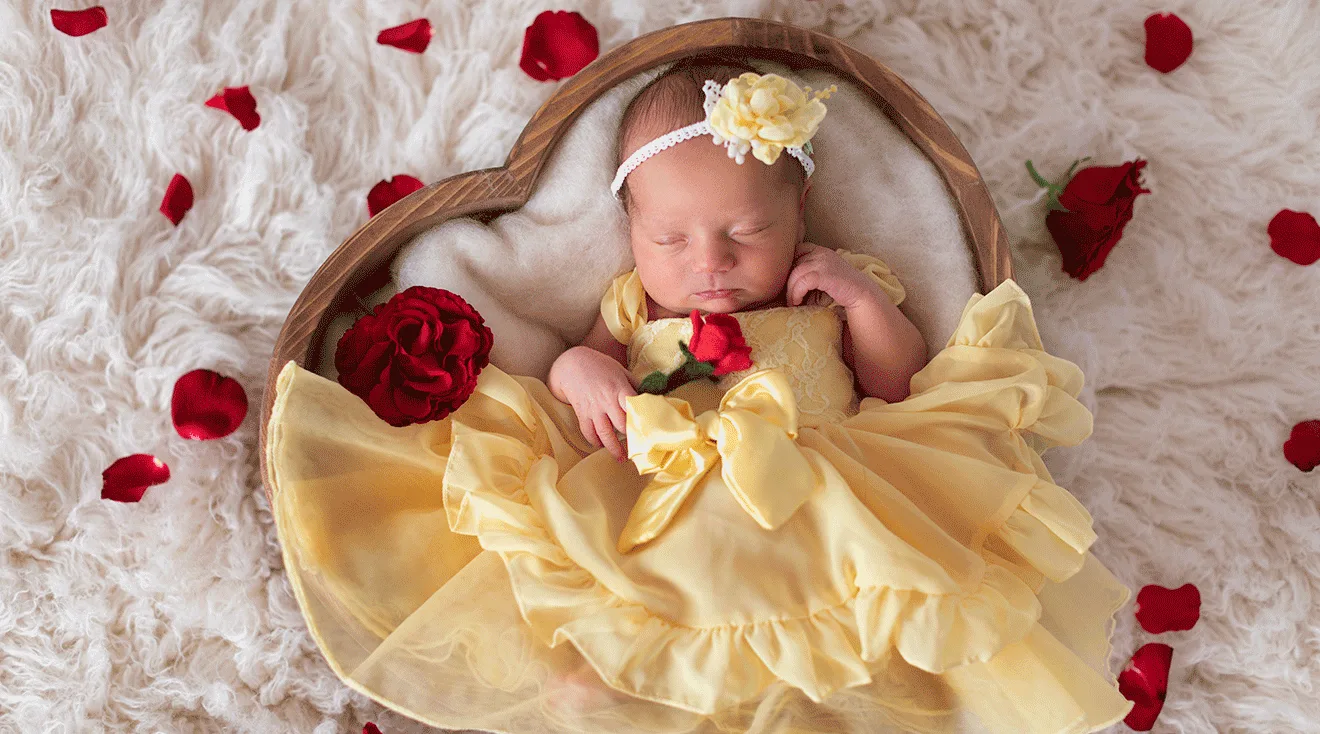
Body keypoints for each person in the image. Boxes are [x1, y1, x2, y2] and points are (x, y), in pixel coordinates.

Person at [265, 57, 1135, 734]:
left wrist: (864, 303)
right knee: (636, 582)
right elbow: (575, 372)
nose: (708, 262)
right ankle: (608, 669)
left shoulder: (828, 290)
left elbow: (898, 384)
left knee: (868, 596)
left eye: (746, 231)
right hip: (664, 490)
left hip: (820, 482)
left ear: (799, 220)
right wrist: (581, 369)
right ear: (631, 231)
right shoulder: (631, 307)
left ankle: (858, 684)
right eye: (669, 236)